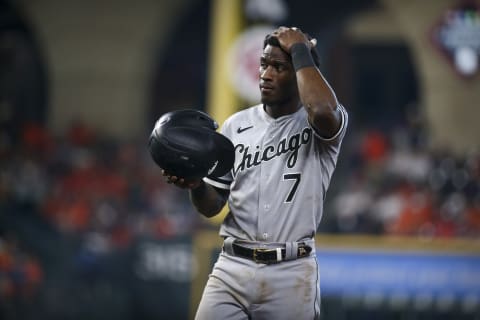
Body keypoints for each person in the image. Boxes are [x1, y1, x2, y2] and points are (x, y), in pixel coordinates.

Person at [162, 26, 348, 320]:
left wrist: (300, 49)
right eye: (264, 64)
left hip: (291, 271)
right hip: (232, 267)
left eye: (278, 67)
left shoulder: (321, 122)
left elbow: (323, 110)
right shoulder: (236, 125)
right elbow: (212, 207)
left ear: (299, 73)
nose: (266, 74)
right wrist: (196, 185)